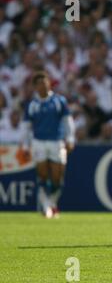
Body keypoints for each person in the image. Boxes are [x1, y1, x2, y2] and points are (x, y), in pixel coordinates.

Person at [22, 71, 75, 219]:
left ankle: (51, 203)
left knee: (58, 178)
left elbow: (67, 121)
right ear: (35, 87)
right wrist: (25, 146)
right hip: (39, 142)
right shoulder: (32, 104)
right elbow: (26, 127)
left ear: (49, 84)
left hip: (57, 142)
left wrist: (70, 139)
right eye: (39, 84)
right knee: (42, 176)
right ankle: (47, 207)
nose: (43, 86)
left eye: (45, 83)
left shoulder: (59, 101)